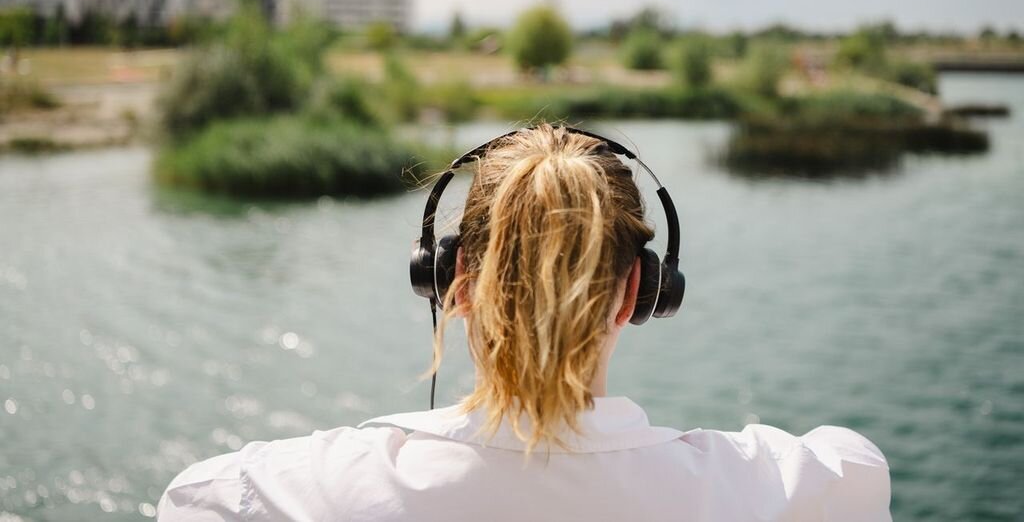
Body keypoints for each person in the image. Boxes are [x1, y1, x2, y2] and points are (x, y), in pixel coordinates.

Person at [158, 124, 891, 521]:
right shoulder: (779, 490)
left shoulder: (290, 492)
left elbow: (193, 498)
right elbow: (856, 467)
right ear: (642, 291)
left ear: (452, 284)